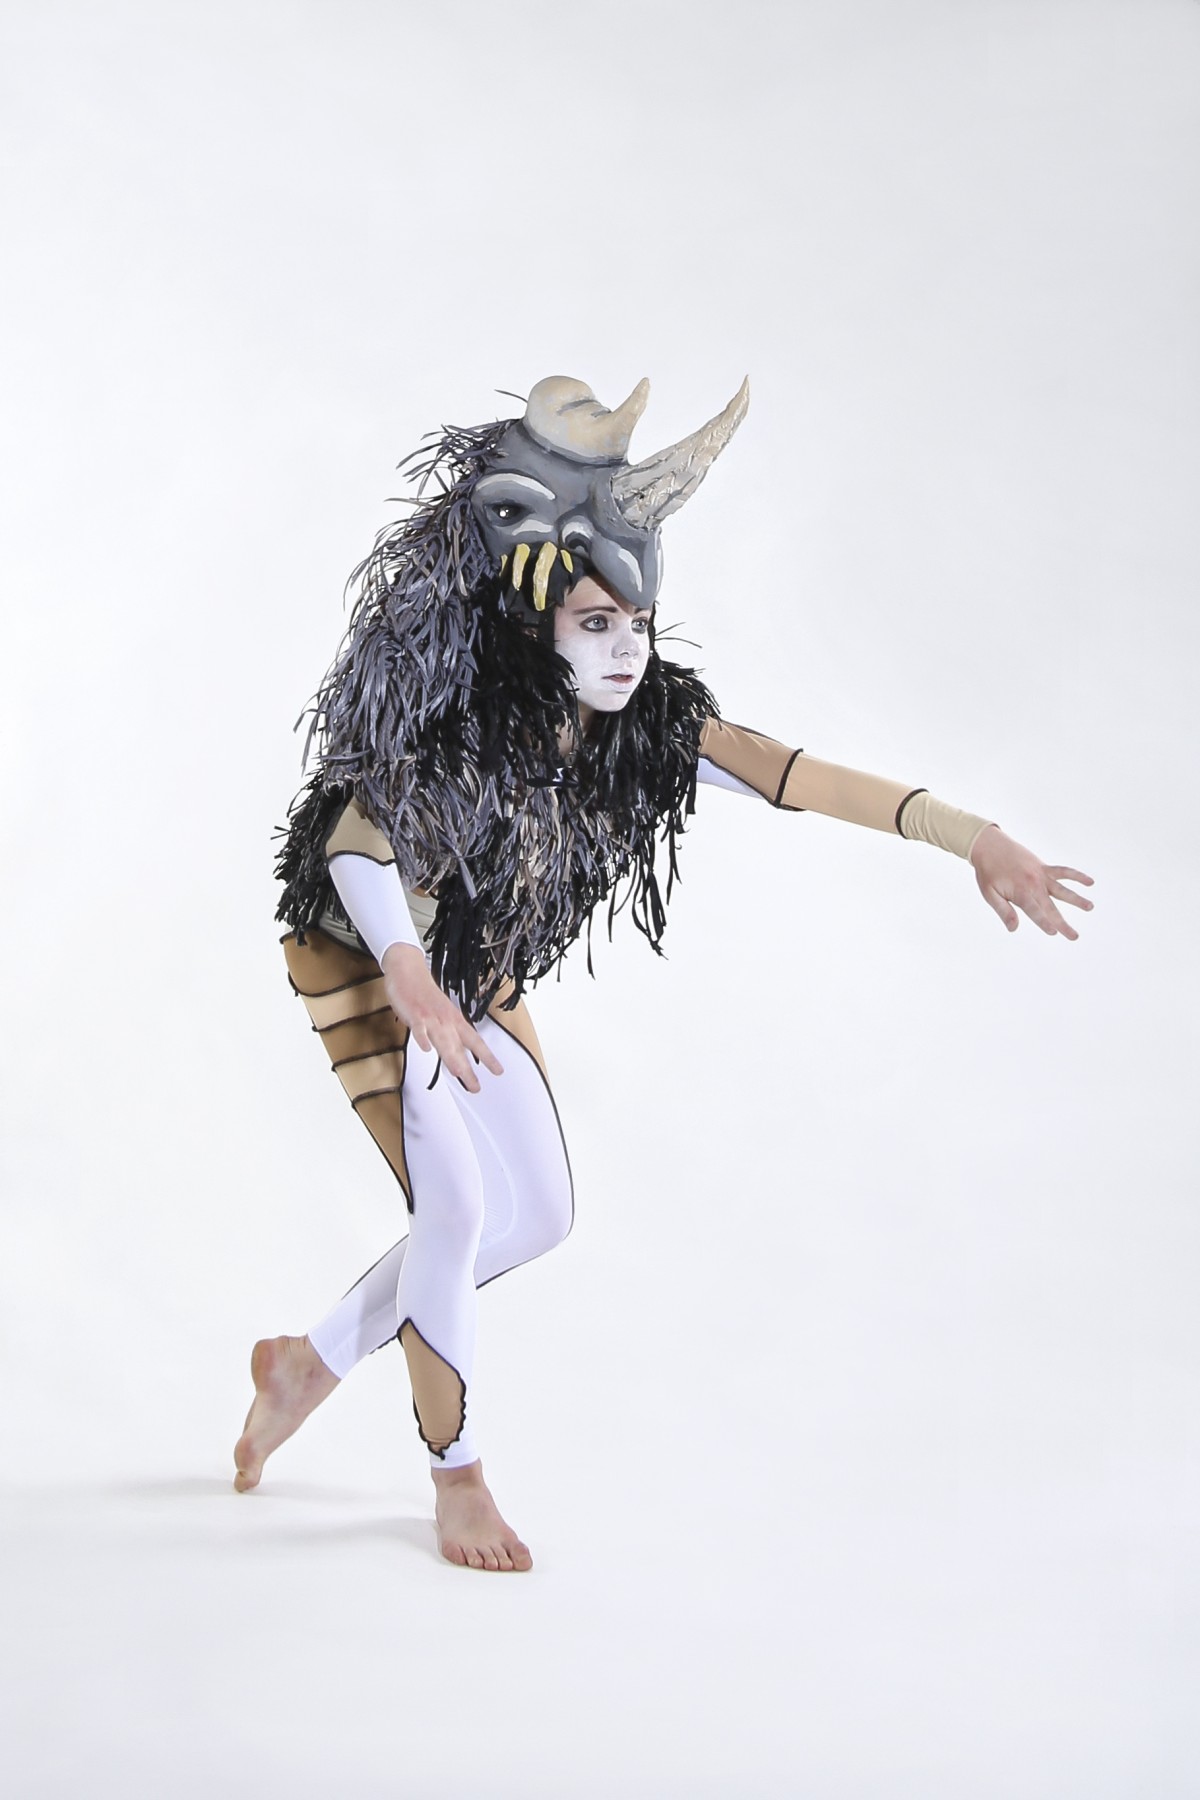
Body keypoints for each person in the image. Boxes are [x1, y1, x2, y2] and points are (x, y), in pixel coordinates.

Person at [234, 375, 1093, 1571]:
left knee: (538, 1216)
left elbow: (799, 777)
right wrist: (411, 980)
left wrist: (974, 838)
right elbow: (358, 840)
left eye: (635, 623)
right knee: (459, 1211)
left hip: (465, 965)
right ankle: (456, 1475)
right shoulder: (467, 725)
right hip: (375, 955)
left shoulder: (646, 728)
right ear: (532, 624)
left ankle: (309, 1363)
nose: (626, 649)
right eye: (596, 624)